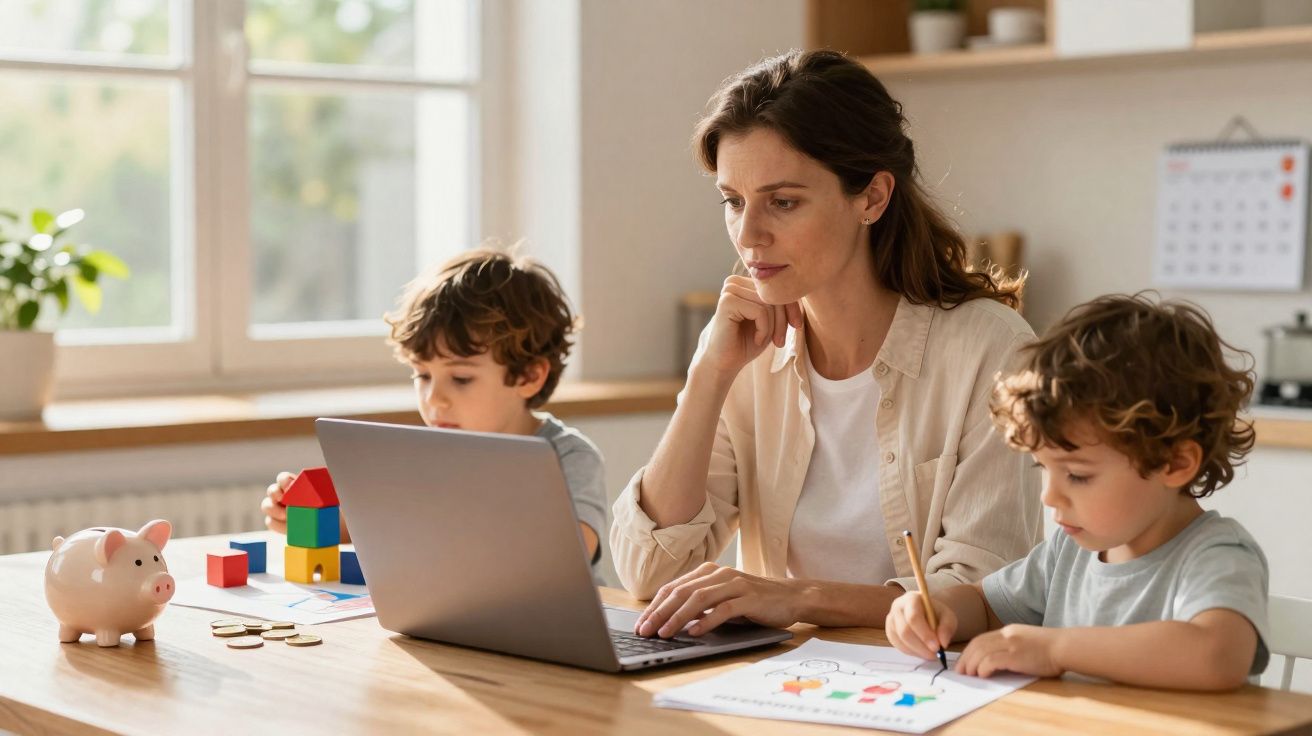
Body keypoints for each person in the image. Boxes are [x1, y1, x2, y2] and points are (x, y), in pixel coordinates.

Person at [612, 49, 1043, 639]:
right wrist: (709, 374)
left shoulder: (990, 350)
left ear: (871, 197)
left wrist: (795, 598)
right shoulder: (742, 353)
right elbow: (647, 570)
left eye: (783, 202)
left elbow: (990, 590)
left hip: (933, 694)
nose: (749, 234)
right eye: (733, 202)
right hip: (777, 688)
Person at [885, 294, 1269, 691]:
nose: (1049, 497)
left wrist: (1056, 648)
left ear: (1173, 463)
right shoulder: (1068, 553)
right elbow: (984, 605)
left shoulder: (1217, 555)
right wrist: (931, 608)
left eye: (1078, 476)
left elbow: (1217, 656)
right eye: (1044, 469)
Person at [262, 248, 608, 578]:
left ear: (530, 376)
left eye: (460, 378)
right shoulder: (428, 455)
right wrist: (321, 521)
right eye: (422, 375)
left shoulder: (569, 457)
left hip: (553, 630)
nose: (434, 399)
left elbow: (570, 555)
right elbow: (391, 534)